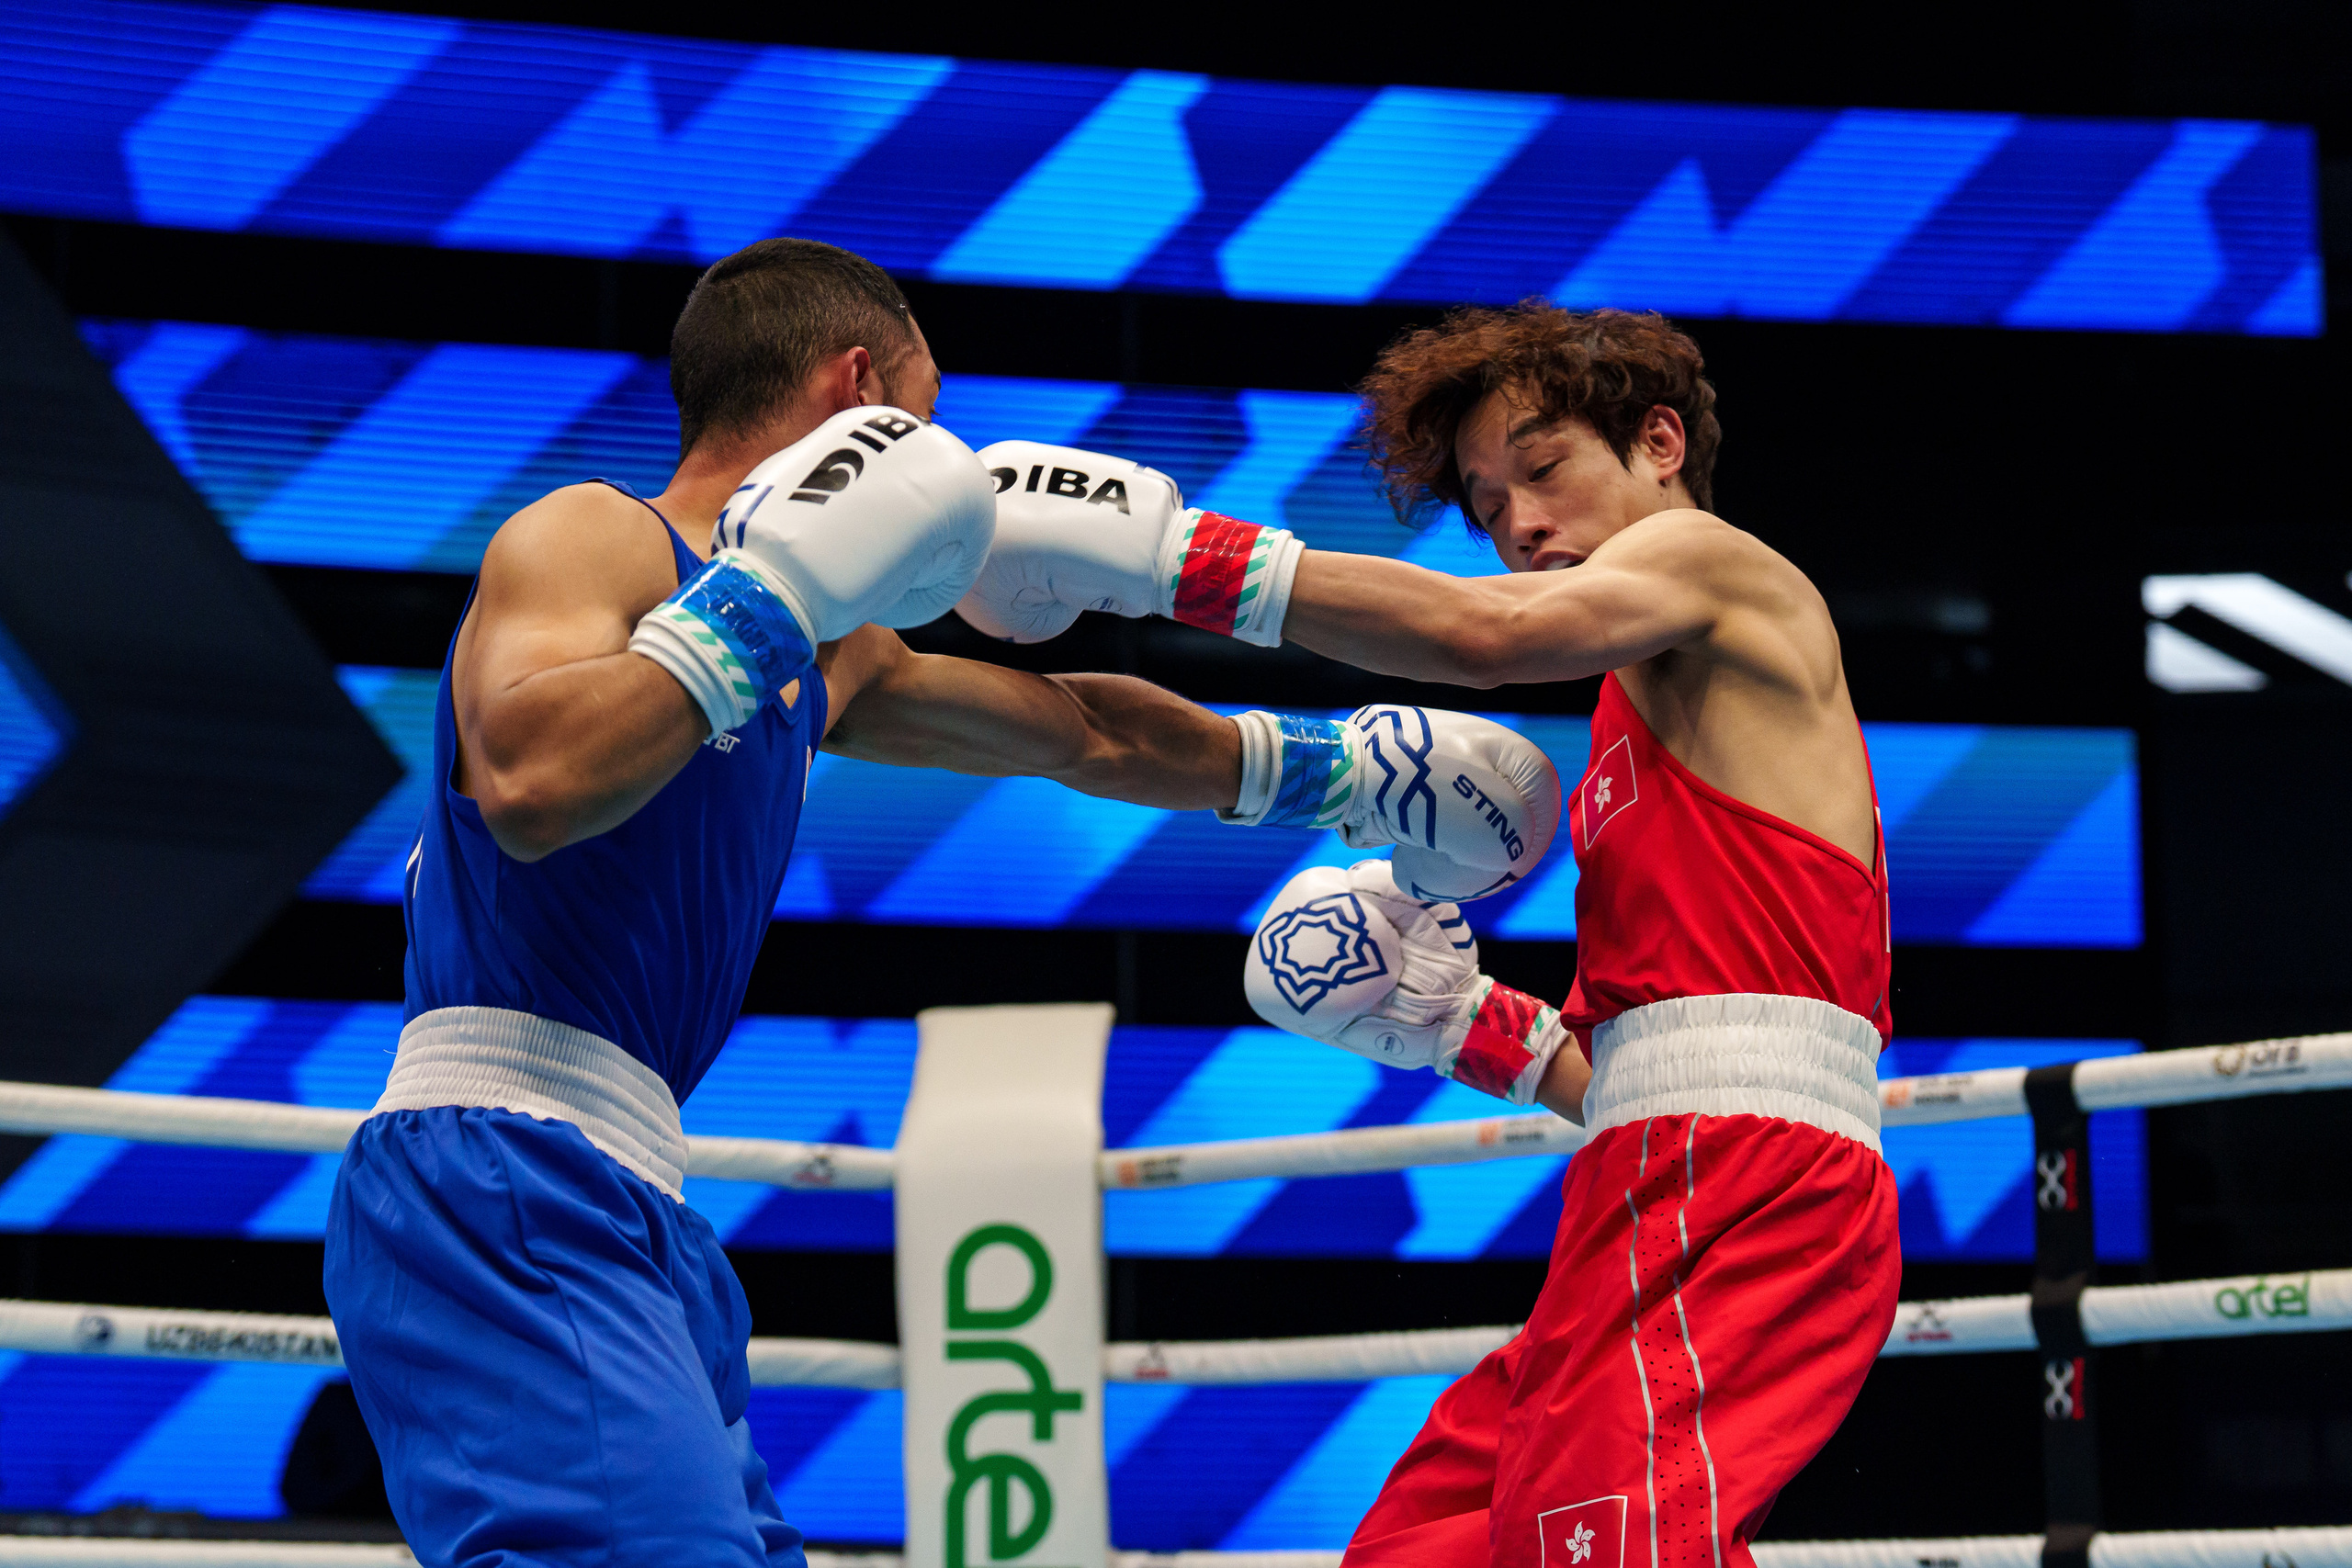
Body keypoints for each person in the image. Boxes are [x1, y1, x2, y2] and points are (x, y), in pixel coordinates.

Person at [320, 237, 1560, 1568]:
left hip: (629, 1192)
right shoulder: (594, 536)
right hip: (500, 1157)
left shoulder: (822, 653)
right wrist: (772, 589)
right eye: (925, 419)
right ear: (862, 396)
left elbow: (1079, 732)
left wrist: (1328, 772)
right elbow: (531, 775)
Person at [960, 304, 1898, 1568]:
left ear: (1661, 444)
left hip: (1750, 1183)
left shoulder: (1722, 568)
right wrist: (1461, 1018)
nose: (1518, 521)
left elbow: (1484, 637)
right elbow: (1662, 1060)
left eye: (1546, 466)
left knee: (1605, 1545)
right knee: (1424, 1543)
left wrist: (1175, 558)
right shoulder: (1639, 713)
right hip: (1651, 1172)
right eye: (1485, 500)